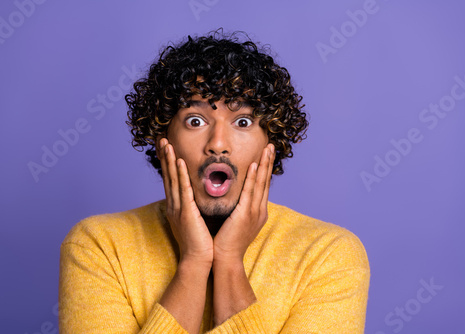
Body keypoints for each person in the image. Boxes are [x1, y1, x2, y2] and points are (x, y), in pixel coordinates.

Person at [59, 30, 370, 334]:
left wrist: (230, 262)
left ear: (270, 143)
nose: (218, 143)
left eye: (243, 121)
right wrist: (194, 264)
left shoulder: (328, 255)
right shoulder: (99, 246)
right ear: (163, 140)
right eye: (195, 121)